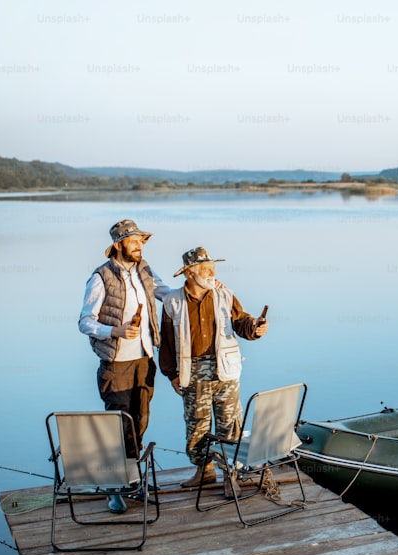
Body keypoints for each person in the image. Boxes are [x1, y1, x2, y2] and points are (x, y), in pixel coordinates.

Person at [78, 219, 170, 513]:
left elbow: (166, 293)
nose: (140, 246)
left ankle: (132, 479)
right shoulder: (101, 277)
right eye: (134, 242)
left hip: (144, 359)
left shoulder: (144, 270)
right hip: (115, 364)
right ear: (119, 245)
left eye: (142, 241)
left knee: (139, 422)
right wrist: (114, 331)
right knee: (118, 425)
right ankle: (113, 488)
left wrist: (195, 284)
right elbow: (85, 322)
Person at [159, 247, 268, 488]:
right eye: (206, 269)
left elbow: (242, 322)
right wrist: (170, 374)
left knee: (229, 424)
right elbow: (165, 341)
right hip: (192, 371)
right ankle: (204, 471)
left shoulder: (225, 295)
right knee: (196, 425)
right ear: (190, 273)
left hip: (225, 369)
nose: (212, 273)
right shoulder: (172, 301)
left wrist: (255, 327)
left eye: (213, 268)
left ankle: (231, 475)